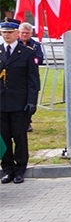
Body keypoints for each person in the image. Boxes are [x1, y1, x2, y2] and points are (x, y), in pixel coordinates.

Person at [0, 21, 40, 184]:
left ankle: (20, 168)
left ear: (17, 33)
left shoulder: (26, 53)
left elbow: (33, 81)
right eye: (4, 32)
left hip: (19, 103)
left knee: (19, 136)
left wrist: (31, 101)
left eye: (10, 32)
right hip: (1, 103)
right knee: (3, 138)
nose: (6, 35)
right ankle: (7, 168)